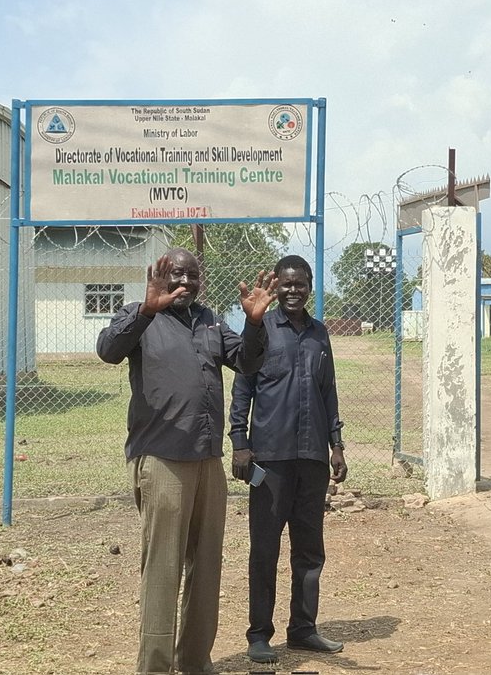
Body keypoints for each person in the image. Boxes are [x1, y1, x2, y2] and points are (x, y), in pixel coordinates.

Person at [96, 248, 277, 675]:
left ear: (202, 281)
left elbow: (248, 361)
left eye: (192, 275)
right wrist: (145, 308)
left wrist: (254, 323)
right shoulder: (140, 316)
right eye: (176, 274)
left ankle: (195, 660)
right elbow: (108, 349)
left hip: (206, 460)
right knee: (163, 567)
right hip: (162, 459)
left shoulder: (210, 320)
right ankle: (155, 667)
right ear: (159, 275)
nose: (184, 282)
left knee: (207, 562)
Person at [228, 255, 348, 664]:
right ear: (276, 287)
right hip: (269, 462)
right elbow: (243, 386)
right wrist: (239, 442)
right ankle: (259, 634)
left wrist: (336, 445)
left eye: (301, 284)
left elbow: (328, 390)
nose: (294, 290)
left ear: (311, 287)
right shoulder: (261, 330)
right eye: (287, 284)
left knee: (310, 550)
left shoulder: (319, 334)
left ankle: (303, 629)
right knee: (264, 549)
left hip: (311, 459)